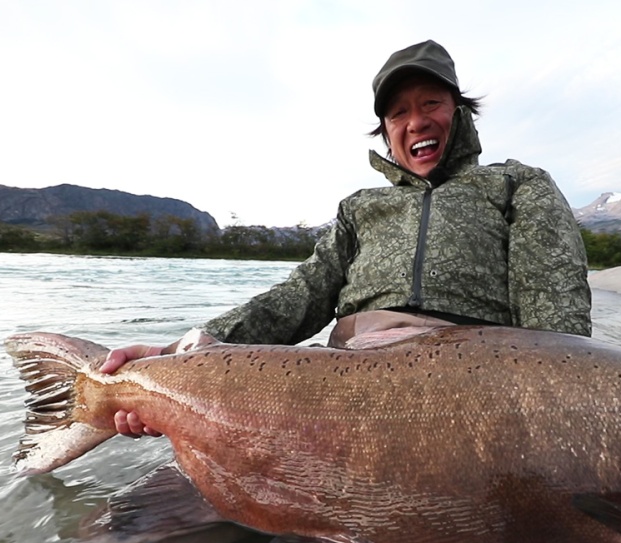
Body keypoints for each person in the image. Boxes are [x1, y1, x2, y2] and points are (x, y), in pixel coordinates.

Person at [101, 39, 592, 437]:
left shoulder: (515, 184)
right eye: (398, 113)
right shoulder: (358, 208)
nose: (415, 121)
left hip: (468, 383)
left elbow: (553, 305)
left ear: (460, 112)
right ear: (385, 131)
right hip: (348, 380)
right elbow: (301, 296)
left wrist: (558, 407)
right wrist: (185, 351)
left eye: (431, 103)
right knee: (137, 533)